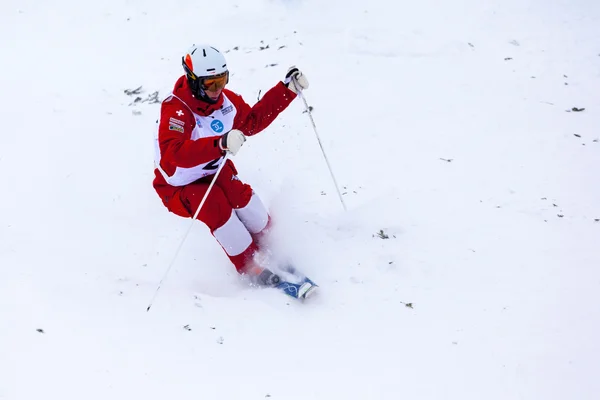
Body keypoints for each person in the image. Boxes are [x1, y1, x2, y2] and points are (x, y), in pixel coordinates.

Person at [152, 44, 309, 286]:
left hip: (214, 169)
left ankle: (270, 241)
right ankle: (250, 265)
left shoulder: (227, 103)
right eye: (210, 84)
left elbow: (253, 121)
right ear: (193, 81)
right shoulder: (177, 109)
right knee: (215, 205)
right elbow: (174, 154)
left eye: (222, 80)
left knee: (241, 197)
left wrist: (287, 91)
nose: (217, 90)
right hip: (178, 185)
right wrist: (220, 143)